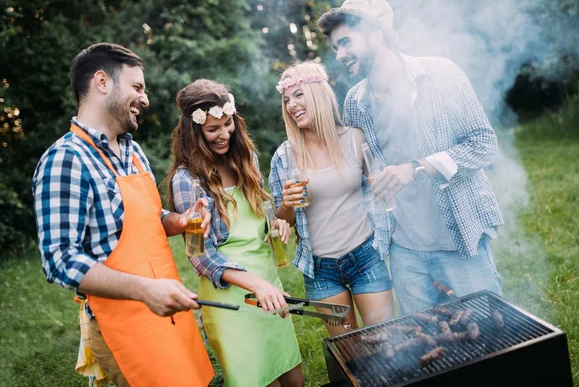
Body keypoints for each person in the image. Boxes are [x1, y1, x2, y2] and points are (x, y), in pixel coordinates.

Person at [32, 43, 214, 386]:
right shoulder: (66, 160)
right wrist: (145, 290)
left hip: (168, 313)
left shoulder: (132, 150)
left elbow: (144, 217)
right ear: (102, 82)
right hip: (127, 327)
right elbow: (59, 260)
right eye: (137, 87)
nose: (144, 99)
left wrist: (177, 220)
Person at [317, 0, 504, 314]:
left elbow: (484, 143)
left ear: (376, 36)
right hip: (404, 247)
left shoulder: (441, 73)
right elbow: (365, 174)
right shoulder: (355, 102)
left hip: (459, 237)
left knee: (488, 330)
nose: (340, 54)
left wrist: (418, 167)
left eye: (346, 42)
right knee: (428, 339)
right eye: (336, 48)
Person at [164, 79, 303, 387]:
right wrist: (253, 283)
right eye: (213, 129)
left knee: (294, 382)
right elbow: (200, 254)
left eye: (228, 124)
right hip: (232, 299)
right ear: (194, 131)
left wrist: (276, 224)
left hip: (269, 286)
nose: (224, 134)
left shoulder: (247, 160)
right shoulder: (188, 180)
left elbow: (261, 216)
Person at [268, 61, 395, 336]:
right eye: (287, 99)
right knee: (351, 350)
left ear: (319, 94)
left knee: (385, 343)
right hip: (320, 269)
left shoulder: (354, 138)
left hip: (365, 256)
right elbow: (280, 222)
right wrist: (287, 205)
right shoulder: (285, 155)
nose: (291, 105)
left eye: (299, 95)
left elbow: (382, 186)